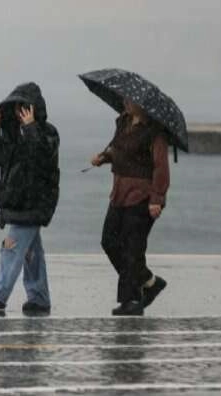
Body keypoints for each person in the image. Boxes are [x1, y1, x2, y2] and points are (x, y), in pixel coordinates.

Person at [0, 82, 59, 316]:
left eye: (24, 107)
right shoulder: (11, 135)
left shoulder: (48, 132)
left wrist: (31, 127)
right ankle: (39, 297)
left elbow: (43, 157)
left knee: (10, 247)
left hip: (35, 201)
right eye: (15, 108)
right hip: (16, 200)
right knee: (32, 254)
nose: (19, 113)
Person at [90, 98, 169, 316]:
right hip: (119, 193)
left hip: (142, 196)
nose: (125, 102)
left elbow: (161, 167)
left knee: (133, 249)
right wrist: (104, 157)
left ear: (143, 104)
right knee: (109, 241)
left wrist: (157, 198)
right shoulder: (123, 123)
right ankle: (149, 283)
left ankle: (131, 300)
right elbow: (120, 152)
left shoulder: (155, 132)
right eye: (124, 98)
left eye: (131, 100)